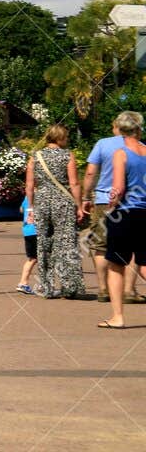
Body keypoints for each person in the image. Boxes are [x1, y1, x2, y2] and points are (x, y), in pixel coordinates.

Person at [24, 124, 85, 299]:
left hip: (42, 201)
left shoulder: (35, 157)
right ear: (60, 138)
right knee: (67, 242)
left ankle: (46, 286)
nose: (67, 140)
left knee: (43, 243)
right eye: (65, 137)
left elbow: (29, 185)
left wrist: (30, 208)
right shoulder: (67, 155)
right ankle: (70, 285)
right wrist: (79, 206)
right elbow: (74, 183)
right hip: (63, 202)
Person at [100, 114, 146, 329]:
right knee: (144, 264)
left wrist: (111, 206)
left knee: (116, 265)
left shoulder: (121, 153)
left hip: (125, 214)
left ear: (119, 128)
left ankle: (117, 317)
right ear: (139, 128)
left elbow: (118, 187)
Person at [81, 117, 131, 300]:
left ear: (116, 126)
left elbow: (90, 172)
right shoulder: (141, 146)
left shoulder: (103, 144)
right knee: (131, 245)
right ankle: (127, 290)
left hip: (104, 200)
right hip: (132, 202)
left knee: (101, 245)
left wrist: (86, 197)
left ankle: (103, 289)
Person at [16, 195, 38, 295]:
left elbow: (21, 209)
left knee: (32, 258)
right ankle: (25, 283)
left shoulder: (27, 197)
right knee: (41, 258)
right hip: (36, 231)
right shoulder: (40, 195)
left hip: (27, 231)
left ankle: (23, 283)